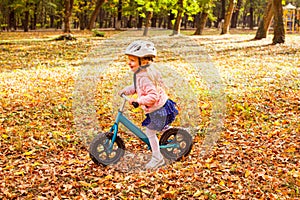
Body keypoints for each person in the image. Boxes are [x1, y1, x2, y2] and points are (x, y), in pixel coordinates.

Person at [119, 40, 178, 169]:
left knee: (150, 132)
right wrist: (127, 90)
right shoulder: (140, 73)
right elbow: (137, 87)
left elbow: (153, 96)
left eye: (133, 60)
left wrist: (138, 101)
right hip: (158, 108)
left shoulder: (145, 77)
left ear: (143, 61)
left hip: (159, 109)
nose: (129, 63)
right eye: (129, 59)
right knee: (157, 128)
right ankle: (170, 133)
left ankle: (158, 158)